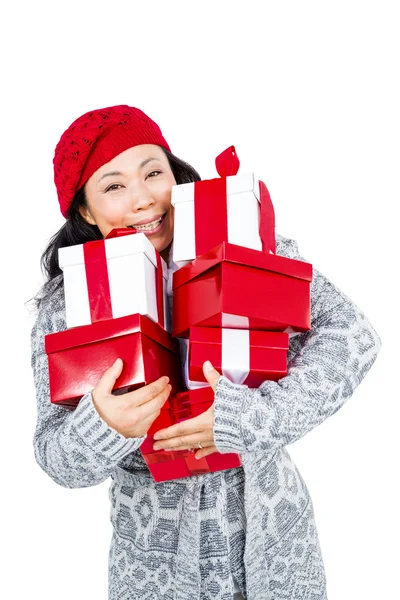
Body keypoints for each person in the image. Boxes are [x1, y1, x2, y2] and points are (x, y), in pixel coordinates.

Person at [30, 104, 382, 600]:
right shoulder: (66, 310)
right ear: (84, 211)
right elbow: (56, 457)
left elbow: (352, 338)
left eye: (154, 172)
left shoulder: (251, 247)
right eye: (113, 186)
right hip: (156, 574)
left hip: (275, 553)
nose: (143, 199)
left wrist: (254, 416)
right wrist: (103, 425)